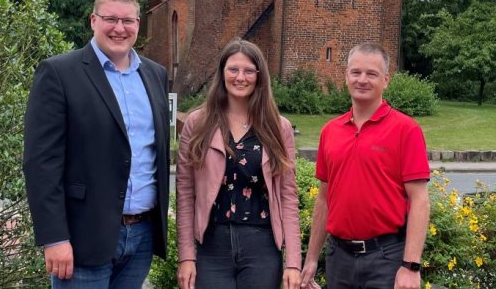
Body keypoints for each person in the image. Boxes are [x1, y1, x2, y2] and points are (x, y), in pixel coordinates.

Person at [23, 0, 170, 288]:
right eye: (110, 19)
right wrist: (54, 238)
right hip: (82, 238)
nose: (119, 28)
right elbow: (41, 164)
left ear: (138, 25)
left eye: (128, 21)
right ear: (93, 21)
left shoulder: (156, 75)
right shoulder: (60, 73)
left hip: (141, 236)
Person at [300, 43, 430, 289]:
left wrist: (411, 266)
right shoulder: (330, 131)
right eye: (356, 72)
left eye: (371, 74)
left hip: (385, 258)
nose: (362, 80)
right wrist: (312, 259)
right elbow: (324, 200)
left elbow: (420, 200)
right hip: (339, 258)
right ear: (346, 76)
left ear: (386, 80)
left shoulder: (406, 130)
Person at [176, 40, 301, 289]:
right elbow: (185, 194)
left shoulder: (278, 127)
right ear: (222, 73)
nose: (240, 77)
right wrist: (187, 256)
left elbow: (288, 195)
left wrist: (293, 263)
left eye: (248, 71)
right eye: (233, 69)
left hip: (262, 246)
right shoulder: (198, 123)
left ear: (259, 76)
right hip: (212, 245)